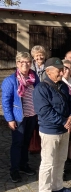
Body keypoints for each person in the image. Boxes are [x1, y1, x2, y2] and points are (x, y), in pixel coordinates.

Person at [33, 57, 71, 192]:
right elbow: (45, 112)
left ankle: (57, 187)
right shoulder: (41, 89)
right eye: (59, 71)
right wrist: (64, 122)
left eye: (63, 70)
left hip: (64, 130)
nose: (62, 73)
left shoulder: (63, 85)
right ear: (48, 71)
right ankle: (45, 191)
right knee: (48, 163)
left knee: (61, 160)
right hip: (50, 131)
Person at [2, 52, 40, 183]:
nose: (25, 64)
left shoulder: (34, 77)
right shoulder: (10, 81)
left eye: (28, 62)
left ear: (31, 63)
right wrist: (10, 119)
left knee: (26, 142)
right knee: (17, 143)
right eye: (22, 62)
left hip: (32, 115)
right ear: (17, 63)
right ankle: (14, 170)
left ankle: (24, 165)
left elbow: (39, 94)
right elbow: (6, 102)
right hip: (19, 118)